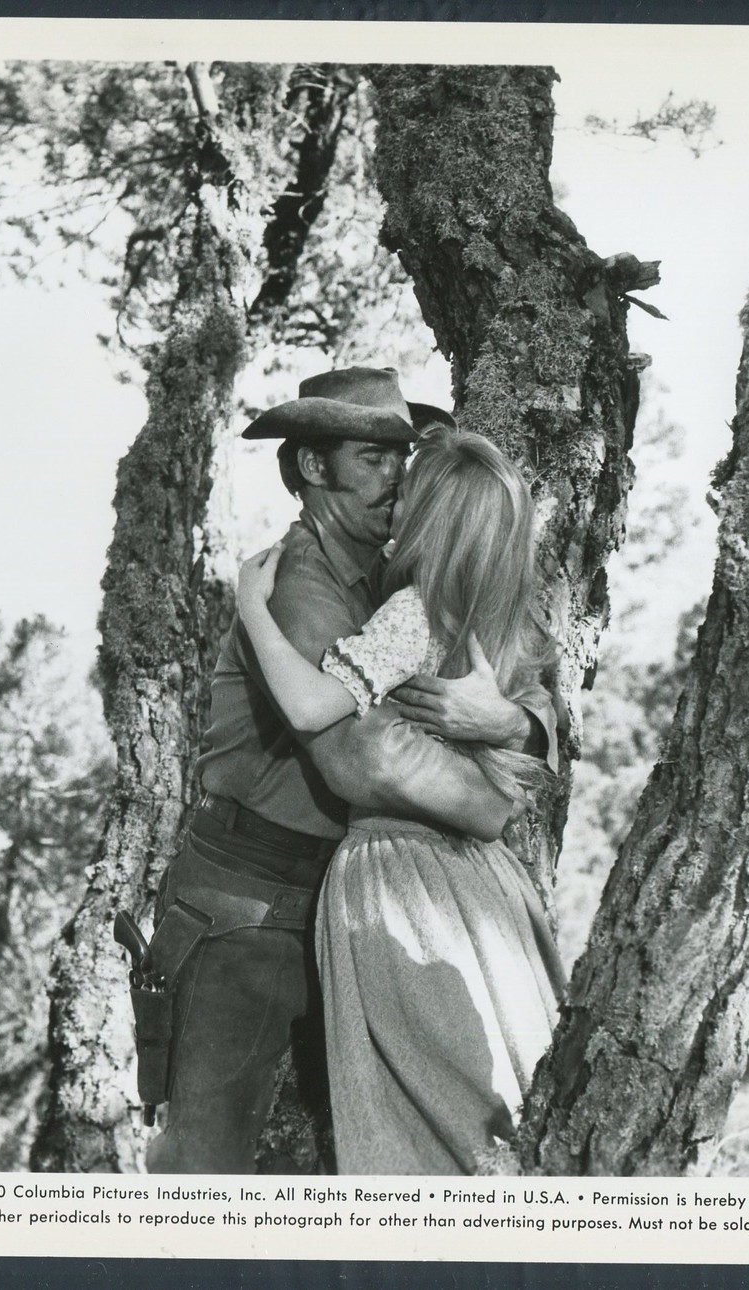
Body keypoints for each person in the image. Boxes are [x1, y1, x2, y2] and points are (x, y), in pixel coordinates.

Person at [142, 366, 557, 1174]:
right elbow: (360, 758)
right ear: (312, 468)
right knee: (209, 1166)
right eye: (374, 456)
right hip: (250, 910)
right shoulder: (300, 585)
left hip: (333, 895)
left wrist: (512, 721)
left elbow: (523, 667)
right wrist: (488, 805)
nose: (396, 475)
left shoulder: (396, 574)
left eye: (403, 457)